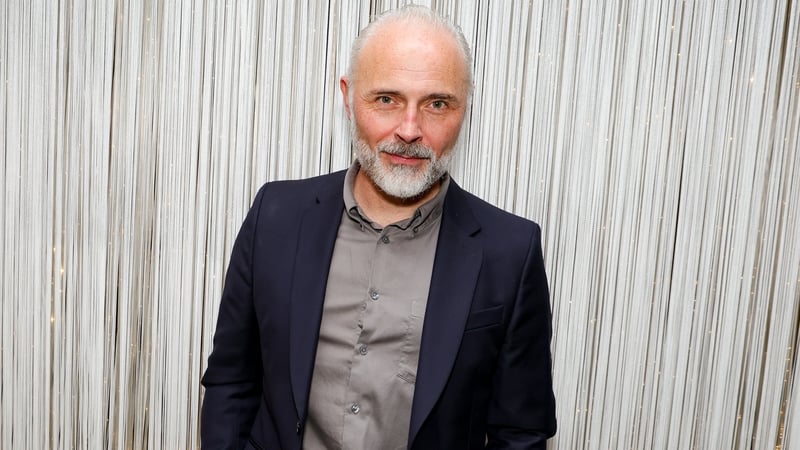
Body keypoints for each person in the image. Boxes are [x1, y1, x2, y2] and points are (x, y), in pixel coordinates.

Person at [200, 5, 556, 449]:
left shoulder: (510, 252)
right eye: (386, 99)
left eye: (437, 103)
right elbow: (231, 380)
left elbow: (520, 432)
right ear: (348, 97)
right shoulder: (276, 215)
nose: (409, 130)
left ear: (464, 109)